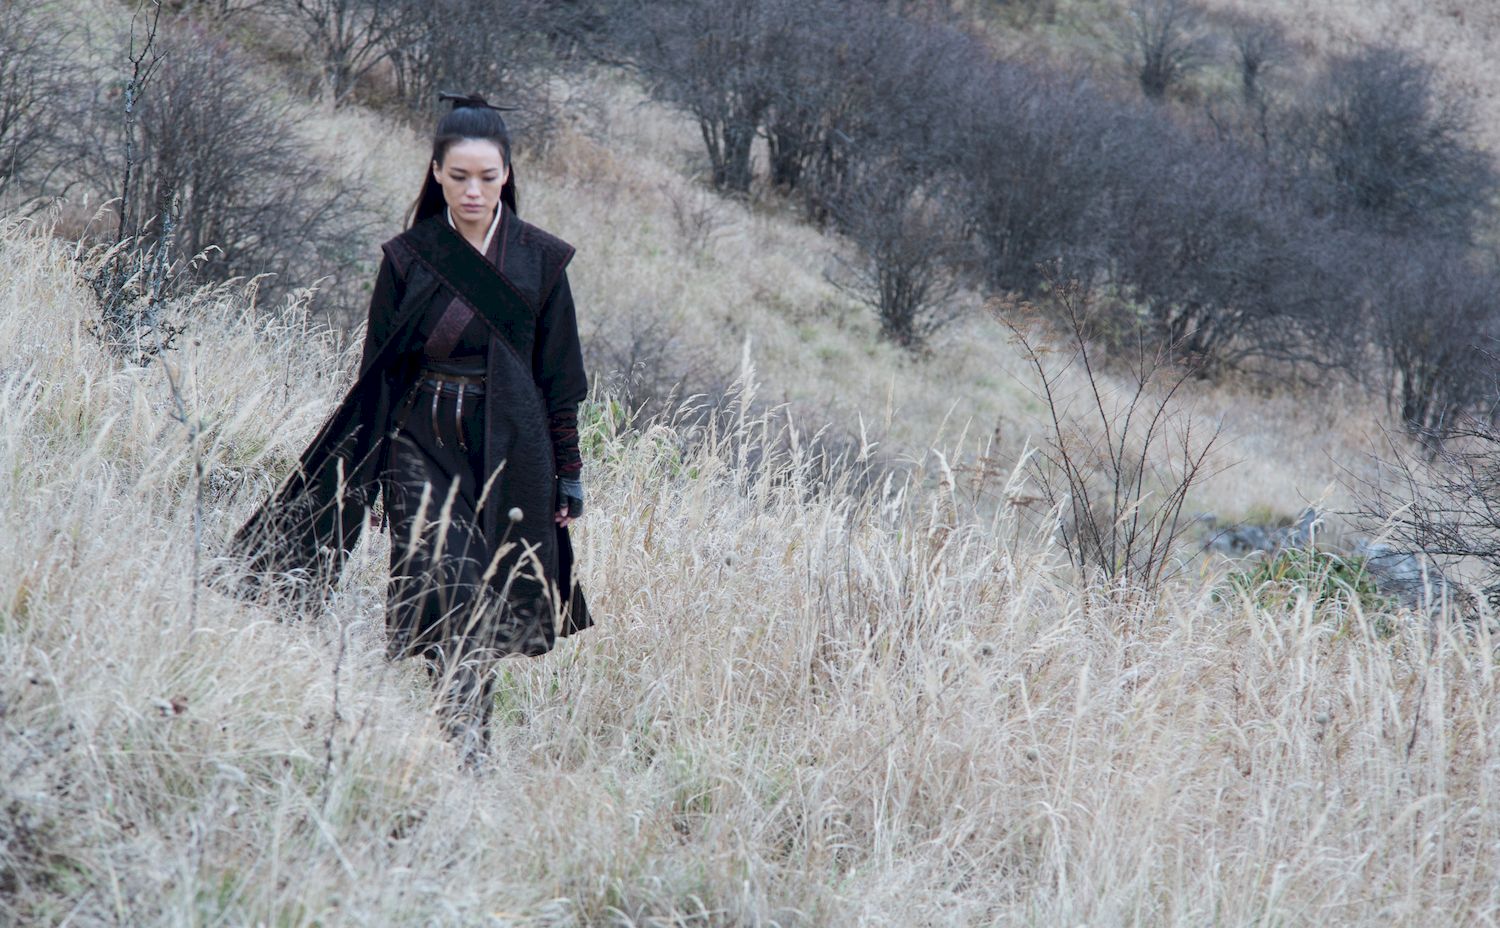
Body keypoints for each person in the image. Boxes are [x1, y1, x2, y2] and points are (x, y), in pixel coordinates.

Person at [232, 91, 592, 762]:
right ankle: (468, 743)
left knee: (489, 588)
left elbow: (560, 378)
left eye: (487, 176)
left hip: (510, 449)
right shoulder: (408, 257)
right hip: (416, 444)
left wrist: (568, 474)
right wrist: (366, 475)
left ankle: (463, 733)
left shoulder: (542, 260)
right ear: (435, 173)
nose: (474, 191)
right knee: (449, 580)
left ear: (508, 174)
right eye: (459, 176)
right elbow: (377, 373)